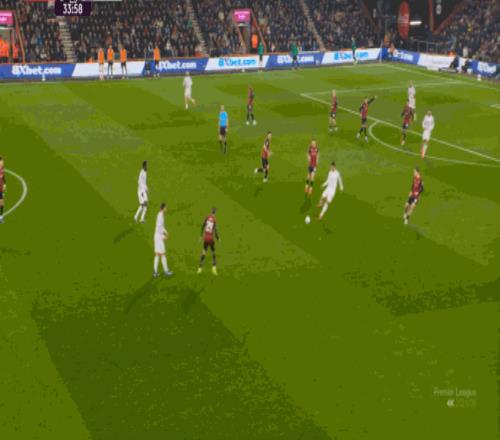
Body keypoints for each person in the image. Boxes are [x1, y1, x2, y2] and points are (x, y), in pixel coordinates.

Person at [197, 207, 219, 275]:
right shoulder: (214, 220)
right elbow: (215, 231)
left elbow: (203, 226)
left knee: (204, 252)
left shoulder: (207, 217)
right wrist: (218, 238)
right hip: (211, 239)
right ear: (215, 212)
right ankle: (214, 269)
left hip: (205, 238)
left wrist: (201, 236)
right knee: (213, 253)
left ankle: (200, 268)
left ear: (211, 211)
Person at [153, 203, 173, 277]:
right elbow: (159, 227)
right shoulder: (161, 216)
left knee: (157, 254)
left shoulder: (160, 215)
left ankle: (155, 272)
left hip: (157, 236)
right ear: (163, 208)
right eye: (165, 207)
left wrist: (166, 232)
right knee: (163, 254)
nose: (166, 209)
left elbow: (161, 227)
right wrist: (163, 236)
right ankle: (166, 271)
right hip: (159, 237)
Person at [0, 156, 5, 224]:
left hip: (0, 189)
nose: (2, 163)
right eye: (1, 162)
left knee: (1, 203)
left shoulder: (1, 169)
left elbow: (3, 177)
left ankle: (0, 217)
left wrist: (4, 184)